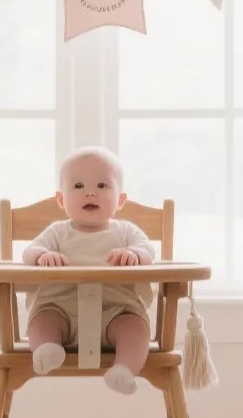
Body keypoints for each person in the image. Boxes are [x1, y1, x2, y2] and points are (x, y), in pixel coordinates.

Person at [22, 147, 155, 394]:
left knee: (136, 328)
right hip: (60, 310)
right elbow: (29, 252)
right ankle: (47, 348)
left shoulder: (126, 232)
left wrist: (135, 254)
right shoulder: (57, 232)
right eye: (78, 185)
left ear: (120, 200)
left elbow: (149, 252)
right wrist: (42, 256)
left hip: (115, 312)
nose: (90, 192)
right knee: (42, 321)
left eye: (102, 185)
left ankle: (124, 369)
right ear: (61, 199)